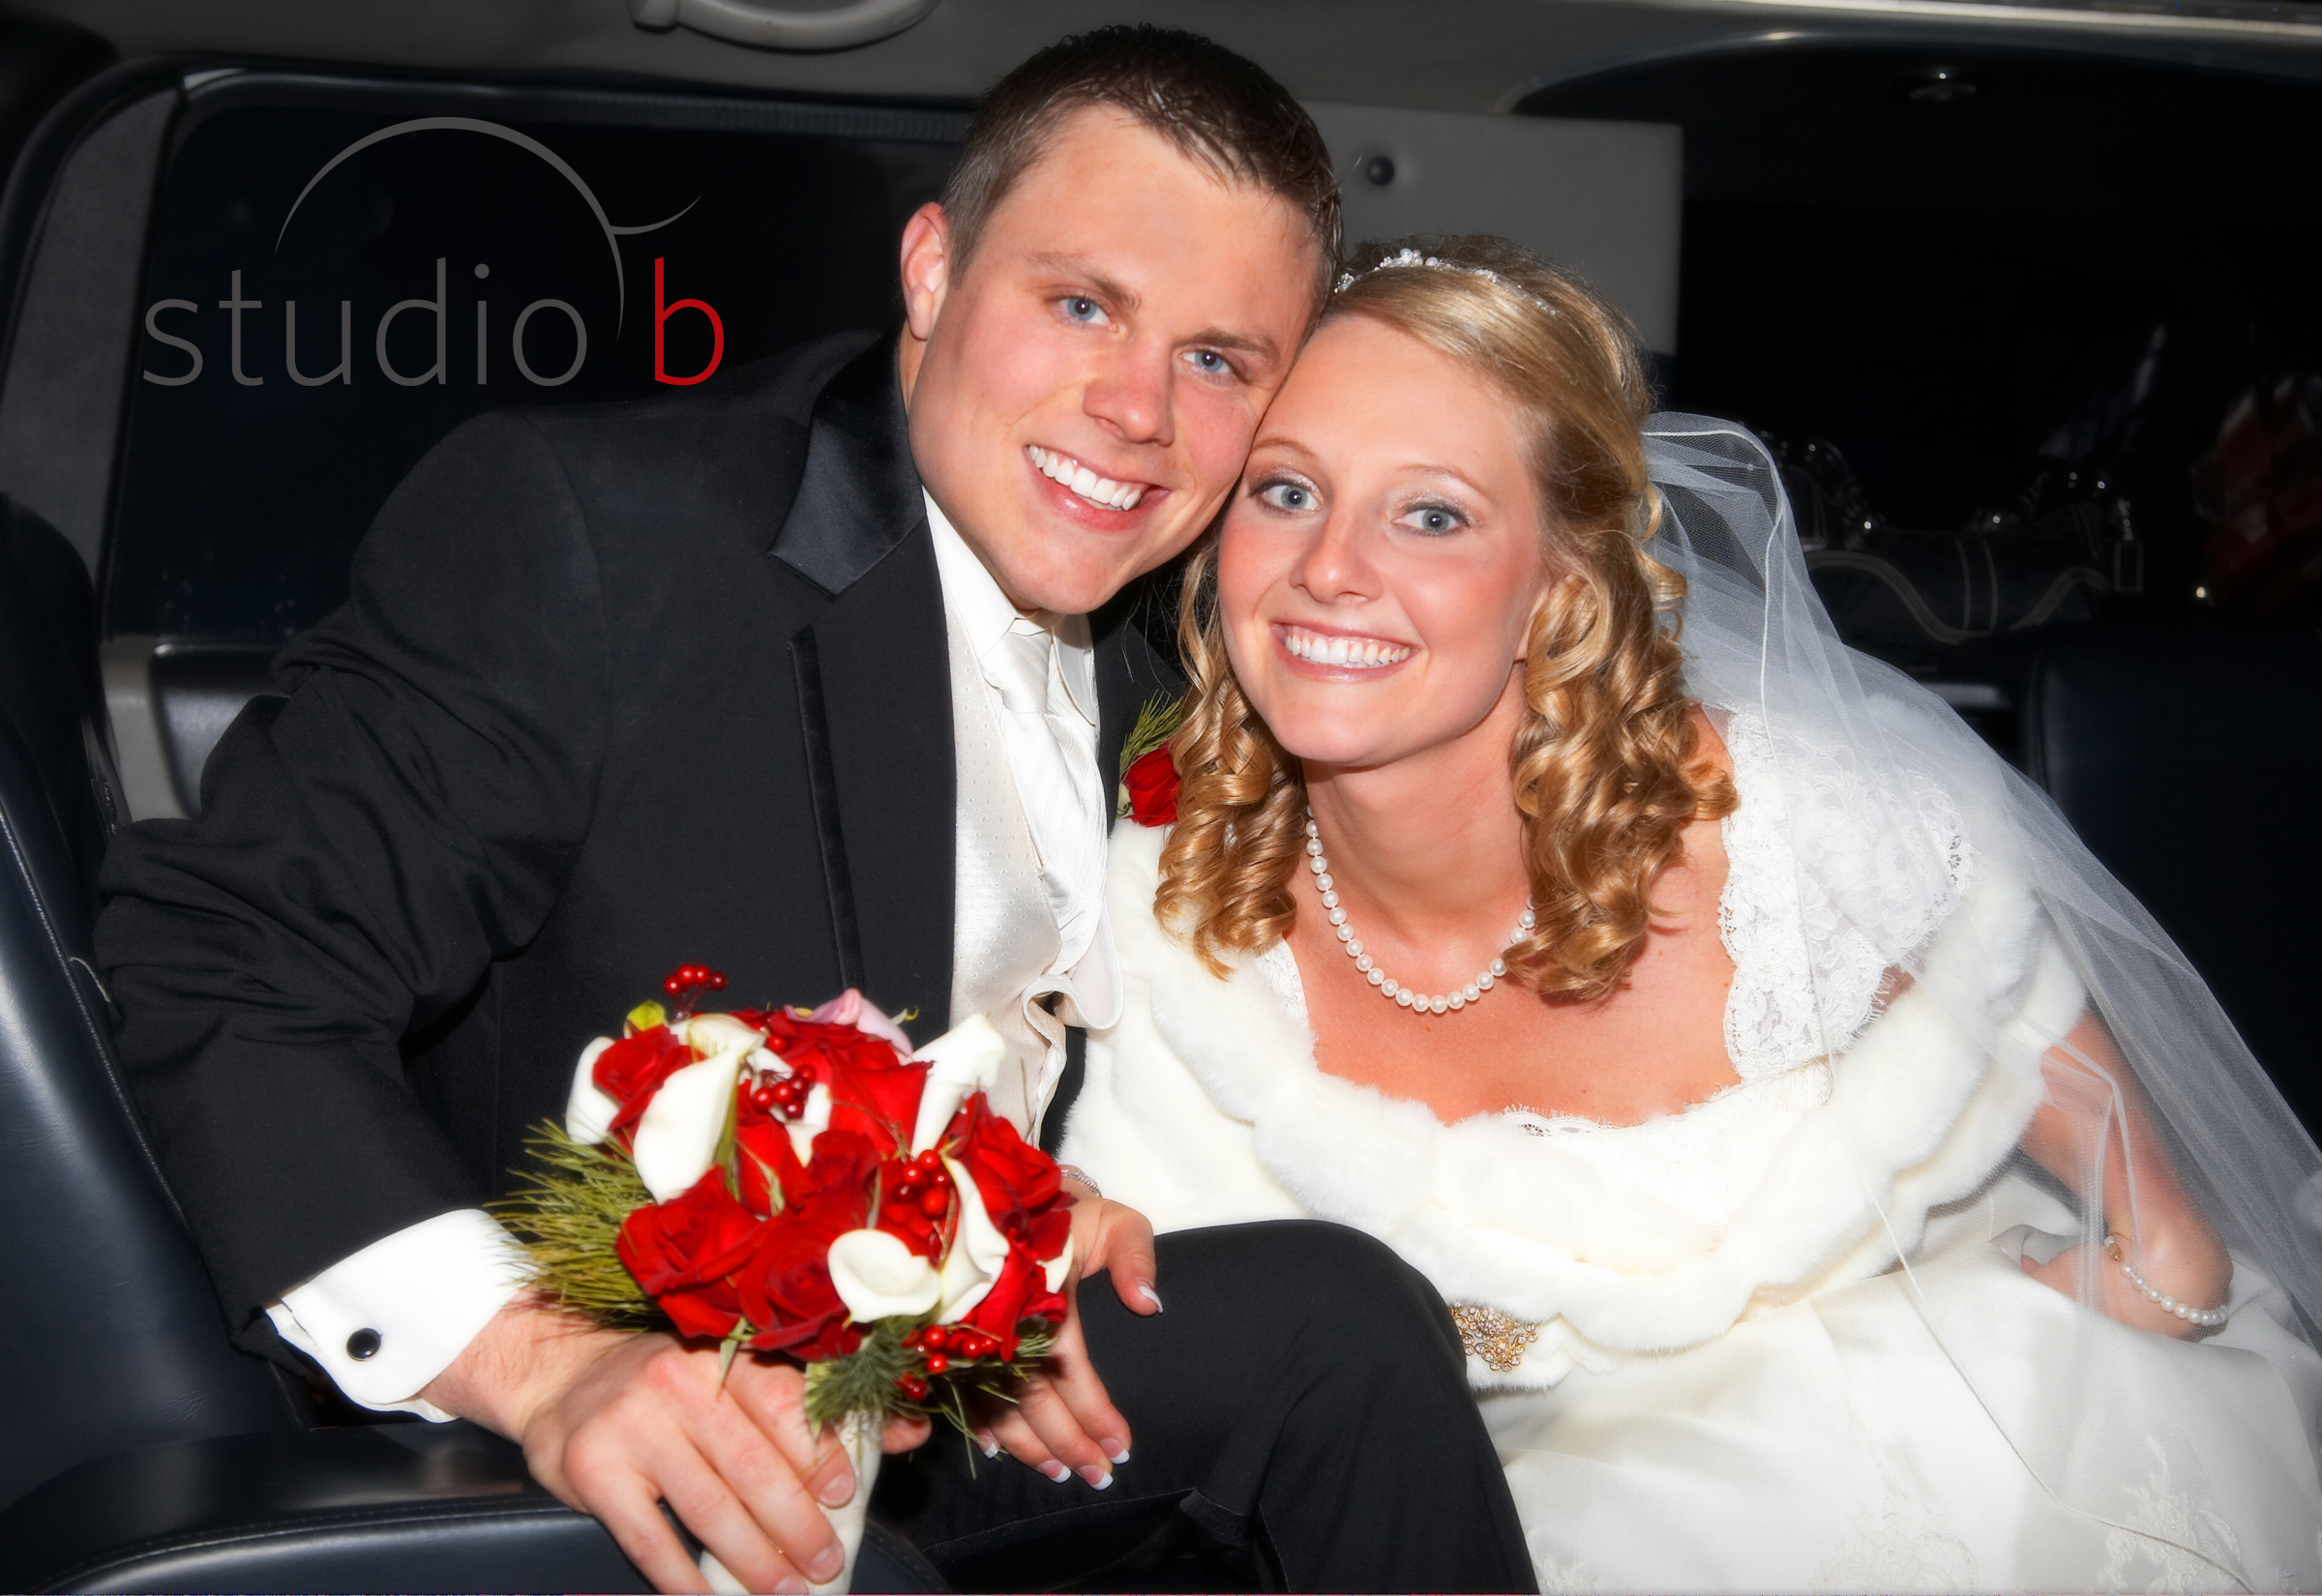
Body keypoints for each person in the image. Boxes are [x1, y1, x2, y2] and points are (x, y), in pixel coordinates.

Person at [95, 33, 1536, 1595]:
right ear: (932, 269)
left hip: (944, 1378)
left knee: (1348, 1332)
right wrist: (541, 1362)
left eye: (1218, 361)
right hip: (651, 1439)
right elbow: (219, 959)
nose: (1138, 409)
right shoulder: (597, 536)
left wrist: (1018, 1227)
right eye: (1082, 305)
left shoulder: (1180, 633)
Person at [1058, 234, 2322, 1591]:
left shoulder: (1788, 829)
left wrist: (2164, 1267)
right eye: (1288, 490)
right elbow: (1150, 1299)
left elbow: (2030, 1025)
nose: (1330, 567)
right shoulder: (1173, 909)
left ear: (1559, 583)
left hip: (1888, 1439)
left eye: (1431, 515)